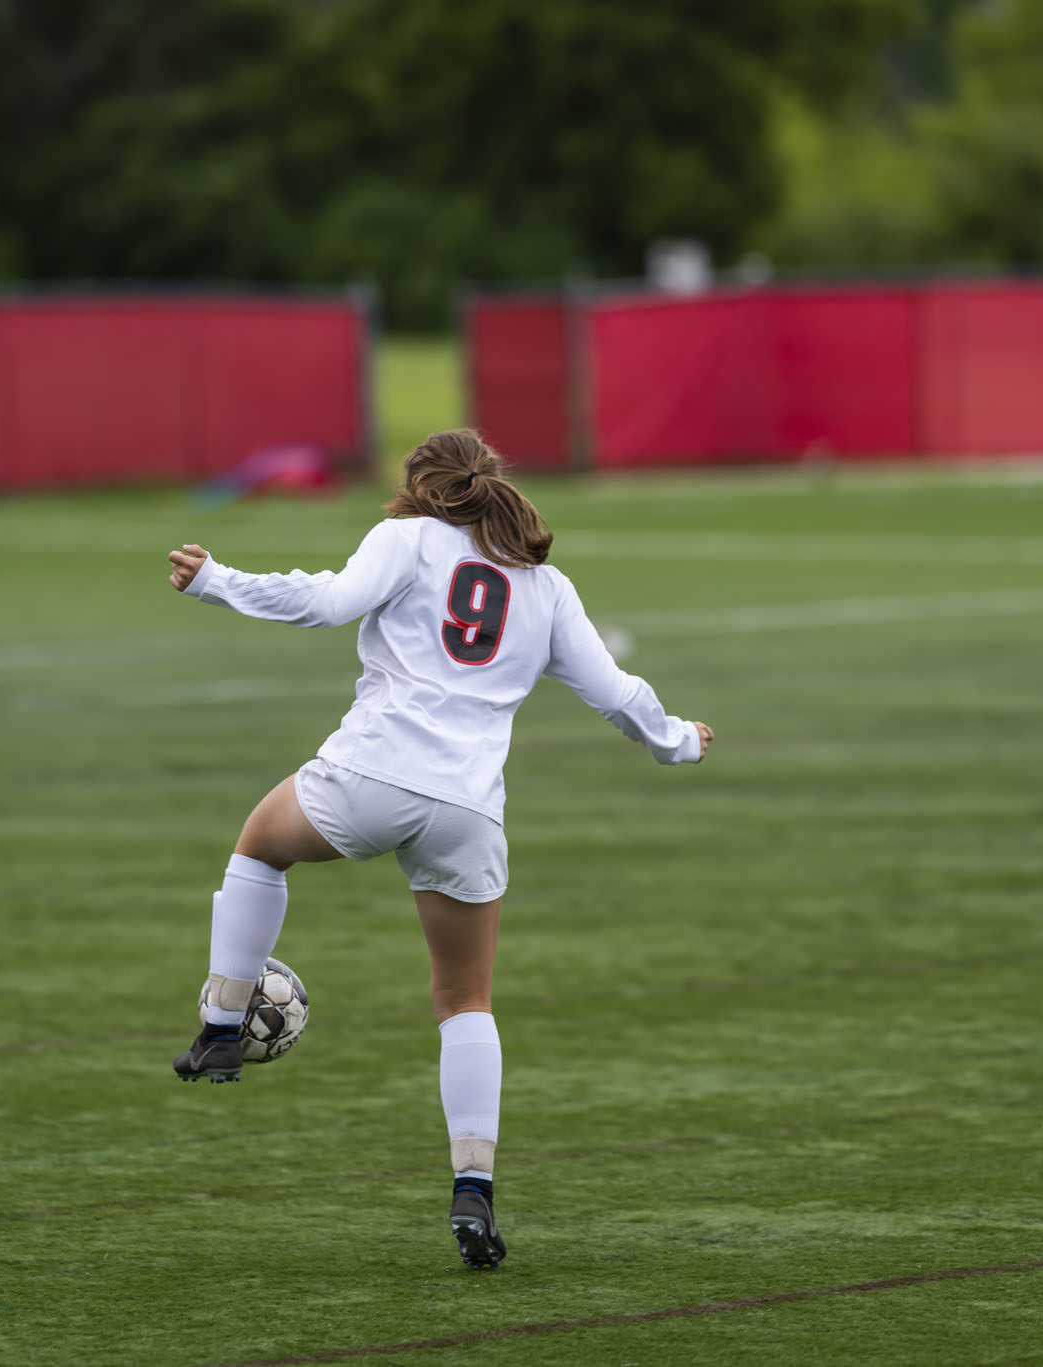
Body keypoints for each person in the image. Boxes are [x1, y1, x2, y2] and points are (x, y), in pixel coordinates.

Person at [165, 429, 712, 1270]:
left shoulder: (406, 538)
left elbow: (326, 601)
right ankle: (474, 1189)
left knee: (259, 846)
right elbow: (616, 692)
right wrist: (678, 740)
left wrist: (216, 582)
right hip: (467, 809)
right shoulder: (547, 586)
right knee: (465, 1002)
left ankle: (222, 1022)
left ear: (422, 486)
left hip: (369, 776)